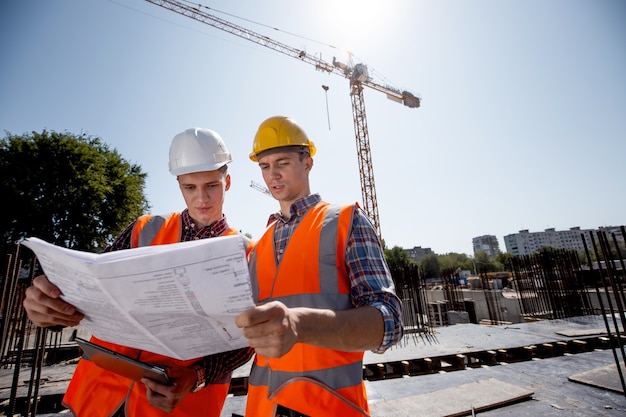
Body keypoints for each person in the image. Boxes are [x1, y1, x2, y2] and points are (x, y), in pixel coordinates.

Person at [23, 128, 255, 417]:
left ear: (227, 182)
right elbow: (89, 288)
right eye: (190, 188)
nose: (201, 199)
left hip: (176, 404)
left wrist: (197, 377)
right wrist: (52, 306)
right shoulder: (144, 229)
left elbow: (248, 340)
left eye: (211, 185)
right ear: (179, 184)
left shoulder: (244, 254)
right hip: (100, 393)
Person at [235, 116, 404, 417]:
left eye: (282, 162)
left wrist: (300, 325)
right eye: (264, 166)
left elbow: (388, 323)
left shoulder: (345, 221)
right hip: (263, 409)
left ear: (307, 163)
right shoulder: (258, 246)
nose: (272, 174)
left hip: (328, 407)